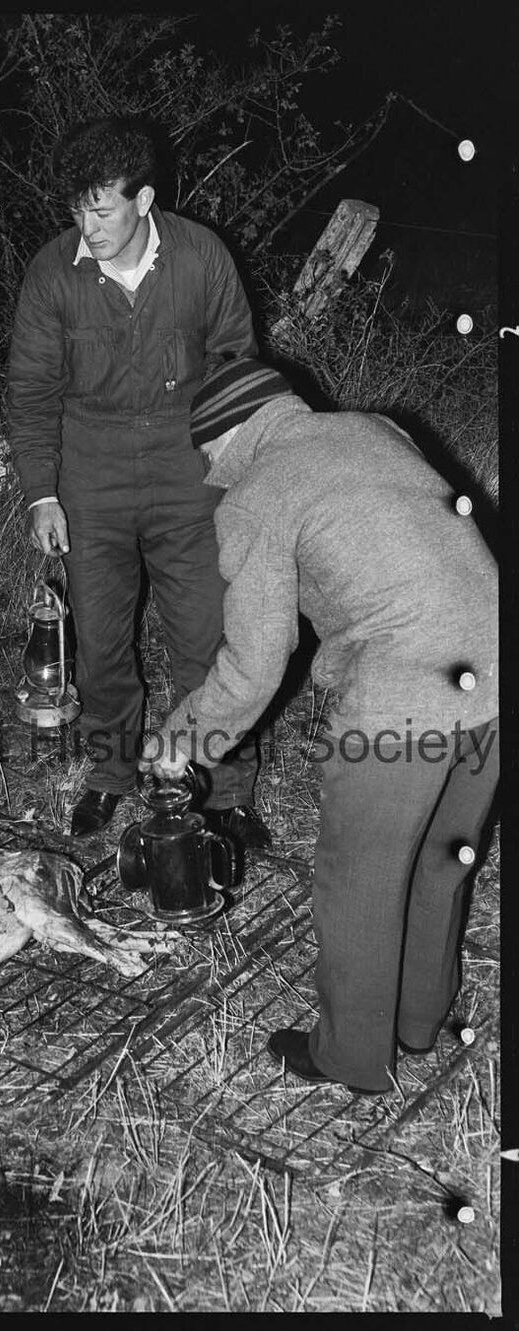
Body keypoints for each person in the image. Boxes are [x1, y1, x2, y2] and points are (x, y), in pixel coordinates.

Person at [141, 358, 498, 1094]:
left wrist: (184, 738)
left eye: (207, 455)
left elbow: (256, 661)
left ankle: (352, 1059)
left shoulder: (259, 491)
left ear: (230, 437)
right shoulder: (373, 429)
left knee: (356, 878)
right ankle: (418, 1023)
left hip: (405, 695)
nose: (209, 472)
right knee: (438, 859)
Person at [7, 115, 271, 846]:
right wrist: (41, 492)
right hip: (91, 478)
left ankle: (224, 793)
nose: (85, 224)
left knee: (206, 640)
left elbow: (237, 367)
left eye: (101, 207)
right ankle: (109, 777)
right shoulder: (52, 273)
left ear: (144, 199)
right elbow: (30, 394)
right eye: (75, 208)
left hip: (189, 476)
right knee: (100, 645)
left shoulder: (201, 258)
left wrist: (239, 474)